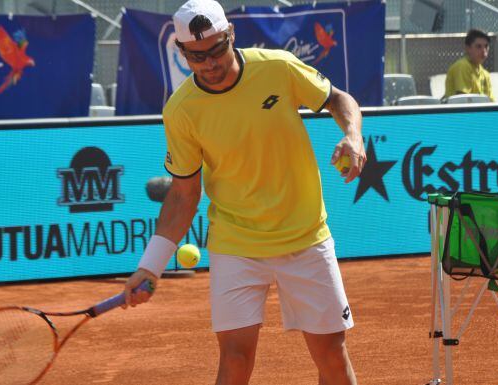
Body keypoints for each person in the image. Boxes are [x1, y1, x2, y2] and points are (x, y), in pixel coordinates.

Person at [120, 0, 366, 384]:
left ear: (230, 36)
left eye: (217, 49)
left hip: (305, 236)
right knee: (234, 359)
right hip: (236, 243)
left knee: (331, 356)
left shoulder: (278, 67)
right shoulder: (181, 110)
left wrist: (352, 135)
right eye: (197, 56)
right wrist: (150, 265)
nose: (210, 63)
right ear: (182, 52)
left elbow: (338, 99)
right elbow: (184, 194)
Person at [444, 29, 494, 101]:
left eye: (486, 46)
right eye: (478, 46)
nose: (484, 51)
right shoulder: (462, 66)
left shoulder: (485, 74)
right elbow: (463, 101)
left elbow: (491, 102)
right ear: (467, 48)